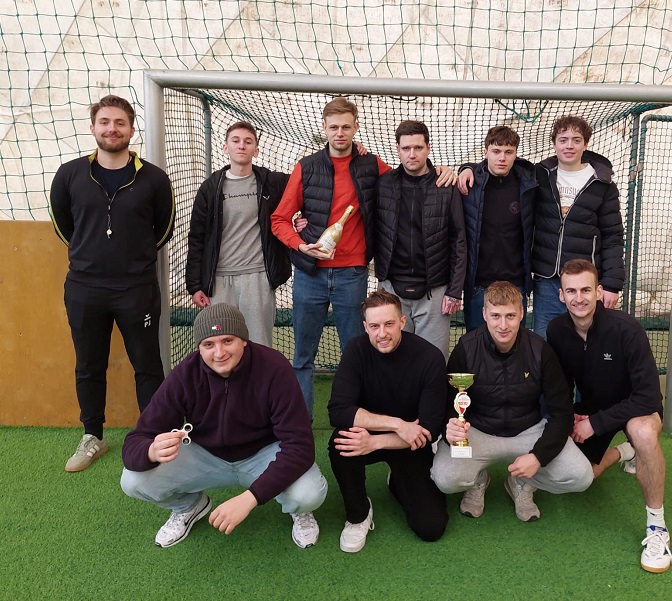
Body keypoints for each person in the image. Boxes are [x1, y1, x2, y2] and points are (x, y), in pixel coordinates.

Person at [271, 97, 455, 419]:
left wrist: (445, 171)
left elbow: (410, 174)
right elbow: (279, 219)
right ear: (324, 128)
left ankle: (359, 421)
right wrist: (301, 245)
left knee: (358, 354)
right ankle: (299, 426)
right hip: (309, 276)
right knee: (302, 357)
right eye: (333, 127)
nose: (339, 133)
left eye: (346, 127)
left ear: (356, 127)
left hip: (352, 276)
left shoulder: (372, 165)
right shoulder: (306, 167)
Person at [120, 303, 327, 549]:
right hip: (206, 456)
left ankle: (298, 510)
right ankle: (189, 506)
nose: (219, 353)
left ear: (244, 340)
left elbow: (300, 446)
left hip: (263, 455)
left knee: (308, 494)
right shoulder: (185, 374)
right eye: (209, 344)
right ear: (199, 348)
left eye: (228, 341)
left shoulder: (274, 367)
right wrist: (151, 451)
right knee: (132, 480)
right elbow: (136, 440)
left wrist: (251, 498)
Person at [49, 95, 175, 472]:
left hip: (137, 288)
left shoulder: (154, 178)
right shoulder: (69, 175)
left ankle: (154, 437)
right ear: (93, 128)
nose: (112, 129)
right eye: (104, 122)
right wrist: (92, 255)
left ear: (131, 130)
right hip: (84, 288)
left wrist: (131, 259)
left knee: (147, 364)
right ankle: (93, 436)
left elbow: (164, 228)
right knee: (89, 365)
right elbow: (63, 225)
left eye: (120, 123)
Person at [547, 259, 672, 573]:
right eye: (571, 291)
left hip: (636, 411)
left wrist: (595, 423)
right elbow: (561, 386)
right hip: (594, 410)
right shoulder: (557, 331)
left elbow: (648, 397)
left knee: (642, 433)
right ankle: (623, 452)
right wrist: (571, 417)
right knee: (581, 478)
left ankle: (657, 528)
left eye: (586, 290)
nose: (579, 298)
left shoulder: (627, 329)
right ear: (561, 295)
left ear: (599, 292)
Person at [431, 281, 593, 522]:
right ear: (484, 314)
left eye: (510, 316)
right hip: (479, 431)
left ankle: (522, 482)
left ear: (521, 314)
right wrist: (451, 428)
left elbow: (562, 412)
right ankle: (478, 480)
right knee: (445, 479)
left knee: (580, 477)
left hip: (529, 431)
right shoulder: (466, 348)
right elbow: (449, 404)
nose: (503, 325)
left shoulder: (540, 350)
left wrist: (538, 457)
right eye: (495, 316)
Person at [328, 289, 449, 552]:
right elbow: (338, 411)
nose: (382, 333)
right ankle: (358, 514)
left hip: (410, 444)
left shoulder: (429, 357)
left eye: (389, 324)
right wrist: (398, 424)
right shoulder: (356, 350)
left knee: (431, 527)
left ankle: (397, 481)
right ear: (365, 327)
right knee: (341, 442)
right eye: (374, 326)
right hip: (387, 432)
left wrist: (376, 442)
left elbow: (429, 428)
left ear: (402, 322)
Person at [185, 121, 290, 348]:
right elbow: (197, 237)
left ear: (256, 150)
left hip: (258, 277)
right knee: (221, 344)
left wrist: (354, 149)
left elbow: (307, 182)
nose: (241, 145)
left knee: (259, 345)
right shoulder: (210, 188)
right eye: (236, 140)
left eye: (248, 141)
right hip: (219, 280)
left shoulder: (272, 183)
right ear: (226, 148)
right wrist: (194, 285)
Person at [374, 120, 466, 358]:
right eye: (406, 148)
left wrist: (454, 290)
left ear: (428, 148)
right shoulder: (383, 184)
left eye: (418, 147)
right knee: (393, 360)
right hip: (392, 289)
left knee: (434, 361)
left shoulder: (446, 185)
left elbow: (459, 240)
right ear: (398, 149)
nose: (412, 154)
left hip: (434, 291)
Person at [531, 115, 624, 338]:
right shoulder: (539, 176)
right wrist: (468, 168)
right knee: (545, 341)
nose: (569, 146)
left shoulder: (602, 184)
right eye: (563, 140)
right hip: (548, 280)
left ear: (585, 144)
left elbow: (612, 236)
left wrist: (611, 285)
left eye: (576, 140)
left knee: (587, 341)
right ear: (554, 144)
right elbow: (501, 166)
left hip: (585, 281)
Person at [455, 126, 536, 331]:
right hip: (478, 285)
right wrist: (465, 168)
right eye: (496, 151)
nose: (502, 158)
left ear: (516, 154)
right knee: (477, 343)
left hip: (515, 283)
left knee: (514, 342)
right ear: (485, 152)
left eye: (508, 152)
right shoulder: (471, 184)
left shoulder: (528, 184)